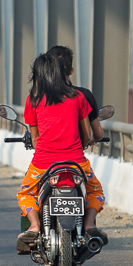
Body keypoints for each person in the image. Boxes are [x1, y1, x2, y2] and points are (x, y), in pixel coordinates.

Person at [16, 52, 108, 254]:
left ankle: (34, 226)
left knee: (25, 193)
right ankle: (89, 224)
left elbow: (35, 138)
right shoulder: (78, 97)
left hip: (43, 164)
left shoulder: (33, 100)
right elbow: (86, 135)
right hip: (76, 162)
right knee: (96, 192)